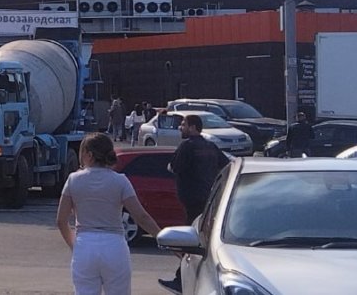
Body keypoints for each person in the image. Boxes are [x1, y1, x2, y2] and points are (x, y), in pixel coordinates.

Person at [56, 133, 162, 295]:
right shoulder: (120, 181)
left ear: (89, 155)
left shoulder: (73, 180)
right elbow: (142, 217)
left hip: (85, 243)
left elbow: (61, 220)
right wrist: (164, 239)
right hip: (114, 245)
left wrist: (73, 244)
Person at [159, 114, 231, 293]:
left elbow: (174, 167)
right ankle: (183, 278)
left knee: (191, 241)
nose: (180, 128)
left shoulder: (187, 146)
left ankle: (181, 280)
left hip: (192, 199)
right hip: (208, 199)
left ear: (192, 127)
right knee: (200, 239)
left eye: (183, 124)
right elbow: (226, 164)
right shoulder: (210, 146)